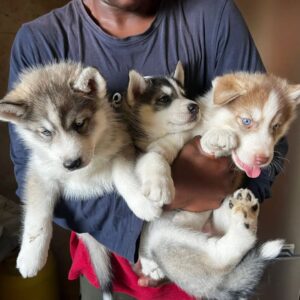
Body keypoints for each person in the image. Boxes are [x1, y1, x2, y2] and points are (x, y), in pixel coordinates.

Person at [8, 0, 287, 298]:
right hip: (110, 253)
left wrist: (226, 214)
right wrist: (139, 235)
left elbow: (266, 138)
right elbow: (33, 172)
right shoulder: (41, 40)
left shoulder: (212, 15)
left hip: (207, 240)